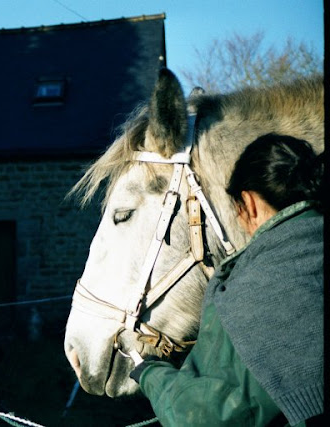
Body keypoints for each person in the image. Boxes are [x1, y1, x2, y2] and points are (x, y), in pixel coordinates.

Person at [129, 133, 324, 426]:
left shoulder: (248, 290)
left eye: (237, 211)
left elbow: (205, 418)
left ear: (249, 203)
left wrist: (150, 375)